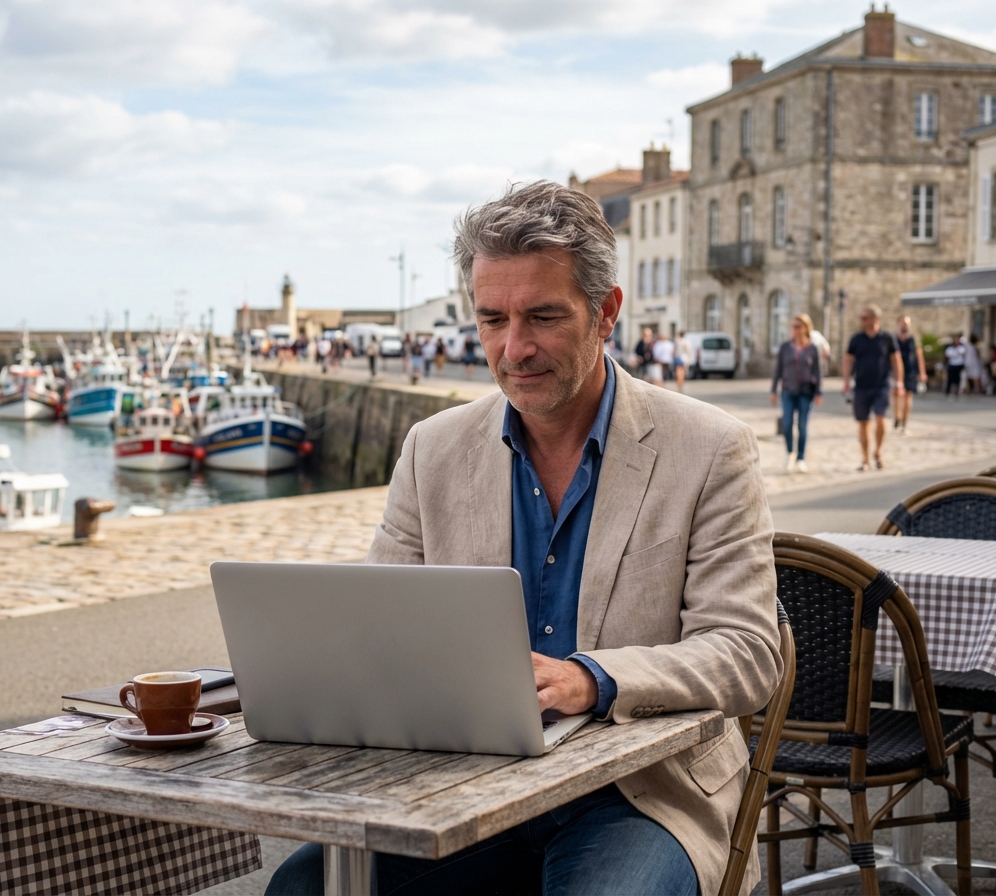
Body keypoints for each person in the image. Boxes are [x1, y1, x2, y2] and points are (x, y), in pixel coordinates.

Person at [266, 181, 781, 896]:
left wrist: (590, 679)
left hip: (639, 794)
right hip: (466, 786)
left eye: (543, 316)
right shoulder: (432, 449)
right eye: (492, 319)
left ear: (606, 312)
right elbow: (380, 633)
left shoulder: (710, 447)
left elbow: (747, 653)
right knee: (302, 888)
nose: (515, 348)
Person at [841, 304, 904, 471]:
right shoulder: (856, 339)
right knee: (863, 423)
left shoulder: (886, 338)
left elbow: (896, 361)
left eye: (865, 318)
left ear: (875, 319)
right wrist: (845, 381)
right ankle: (865, 459)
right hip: (861, 386)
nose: (862, 321)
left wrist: (899, 383)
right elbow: (848, 359)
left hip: (881, 386)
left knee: (881, 417)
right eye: (861, 318)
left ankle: (878, 451)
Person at [770, 313, 822, 473]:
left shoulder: (812, 348)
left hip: (806, 391)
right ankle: (789, 453)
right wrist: (773, 390)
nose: (794, 329)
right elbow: (778, 370)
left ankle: (800, 458)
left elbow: (817, 371)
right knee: (786, 424)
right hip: (788, 390)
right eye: (793, 326)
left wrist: (819, 392)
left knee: (802, 425)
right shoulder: (785, 347)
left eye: (798, 326)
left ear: (806, 328)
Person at [893, 316, 926, 432]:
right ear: (899, 324)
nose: (905, 325)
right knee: (896, 395)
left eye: (907, 323)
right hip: (896, 371)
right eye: (903, 323)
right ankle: (897, 416)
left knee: (908, 395)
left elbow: (919, 356)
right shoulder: (894, 339)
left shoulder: (913, 339)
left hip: (910, 370)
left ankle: (904, 421)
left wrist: (922, 372)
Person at [944, 334, 966, 398]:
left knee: (958, 378)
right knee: (950, 378)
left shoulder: (961, 347)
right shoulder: (950, 348)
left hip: (959, 364)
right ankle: (948, 390)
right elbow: (948, 355)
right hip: (952, 364)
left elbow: (963, 353)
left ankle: (957, 390)